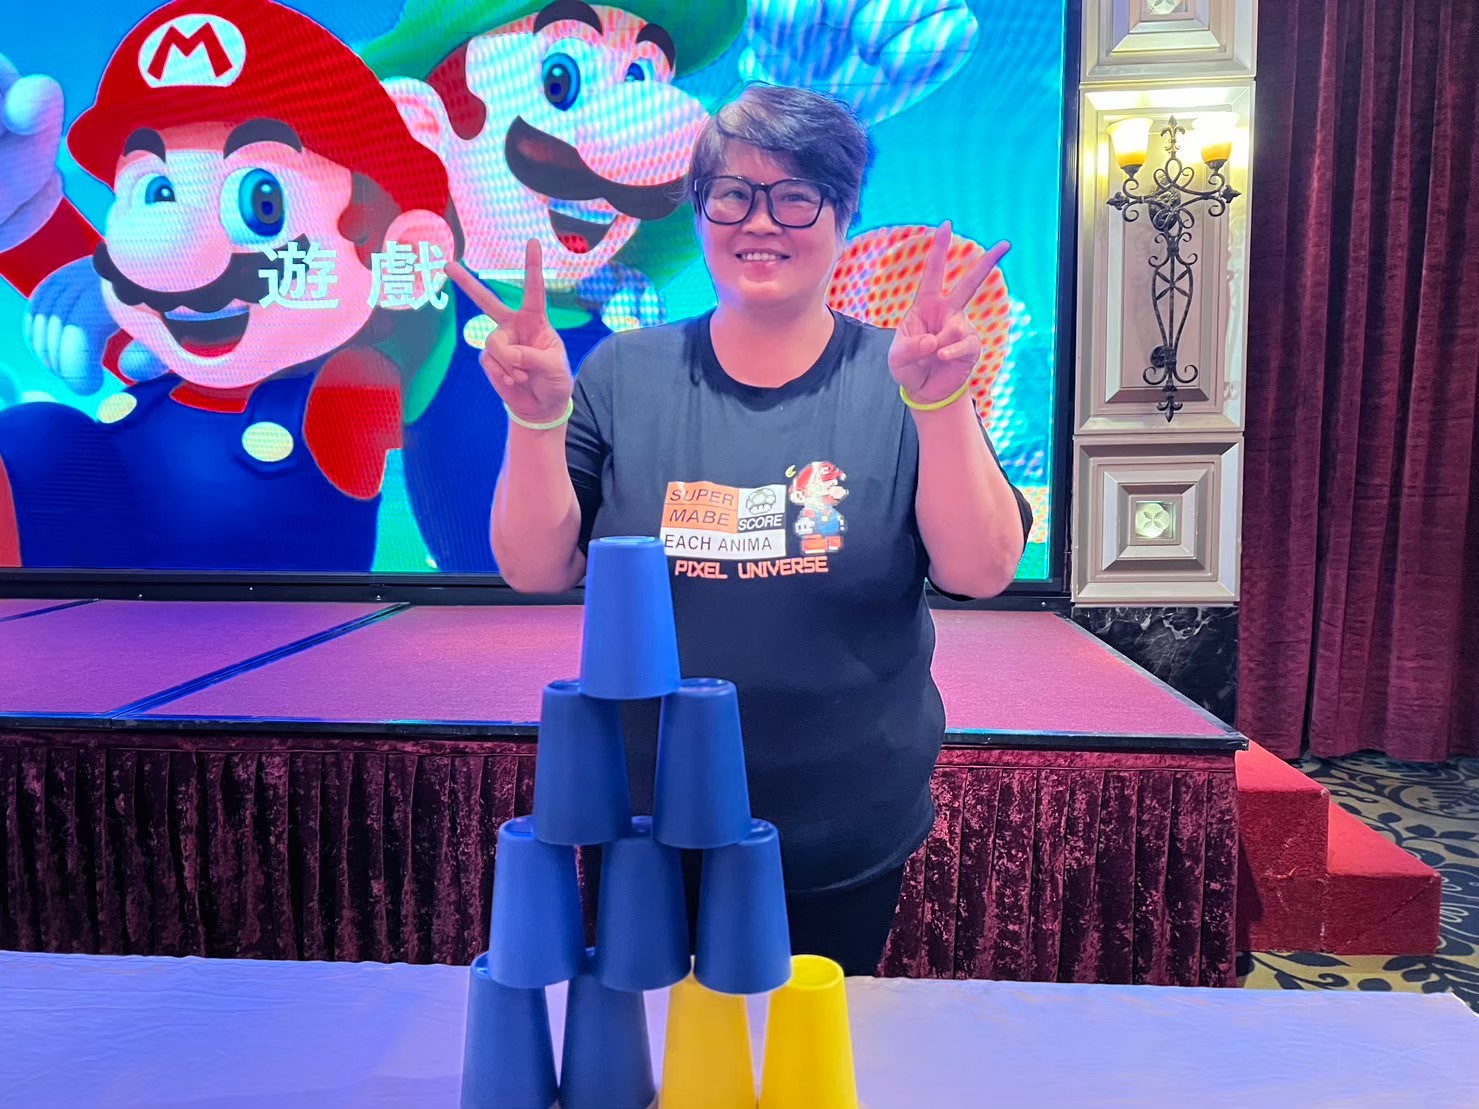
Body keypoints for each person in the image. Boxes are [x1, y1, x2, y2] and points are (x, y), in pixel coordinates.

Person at [447, 83, 1033, 976]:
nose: (760, 221)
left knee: (806, 1044)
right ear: (699, 209)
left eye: (795, 195)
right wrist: (533, 418)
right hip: (647, 823)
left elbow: (979, 570)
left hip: (844, 825)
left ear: (841, 215)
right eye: (732, 194)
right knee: (656, 1042)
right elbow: (535, 566)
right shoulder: (622, 373)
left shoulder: (902, 375)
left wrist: (940, 403)